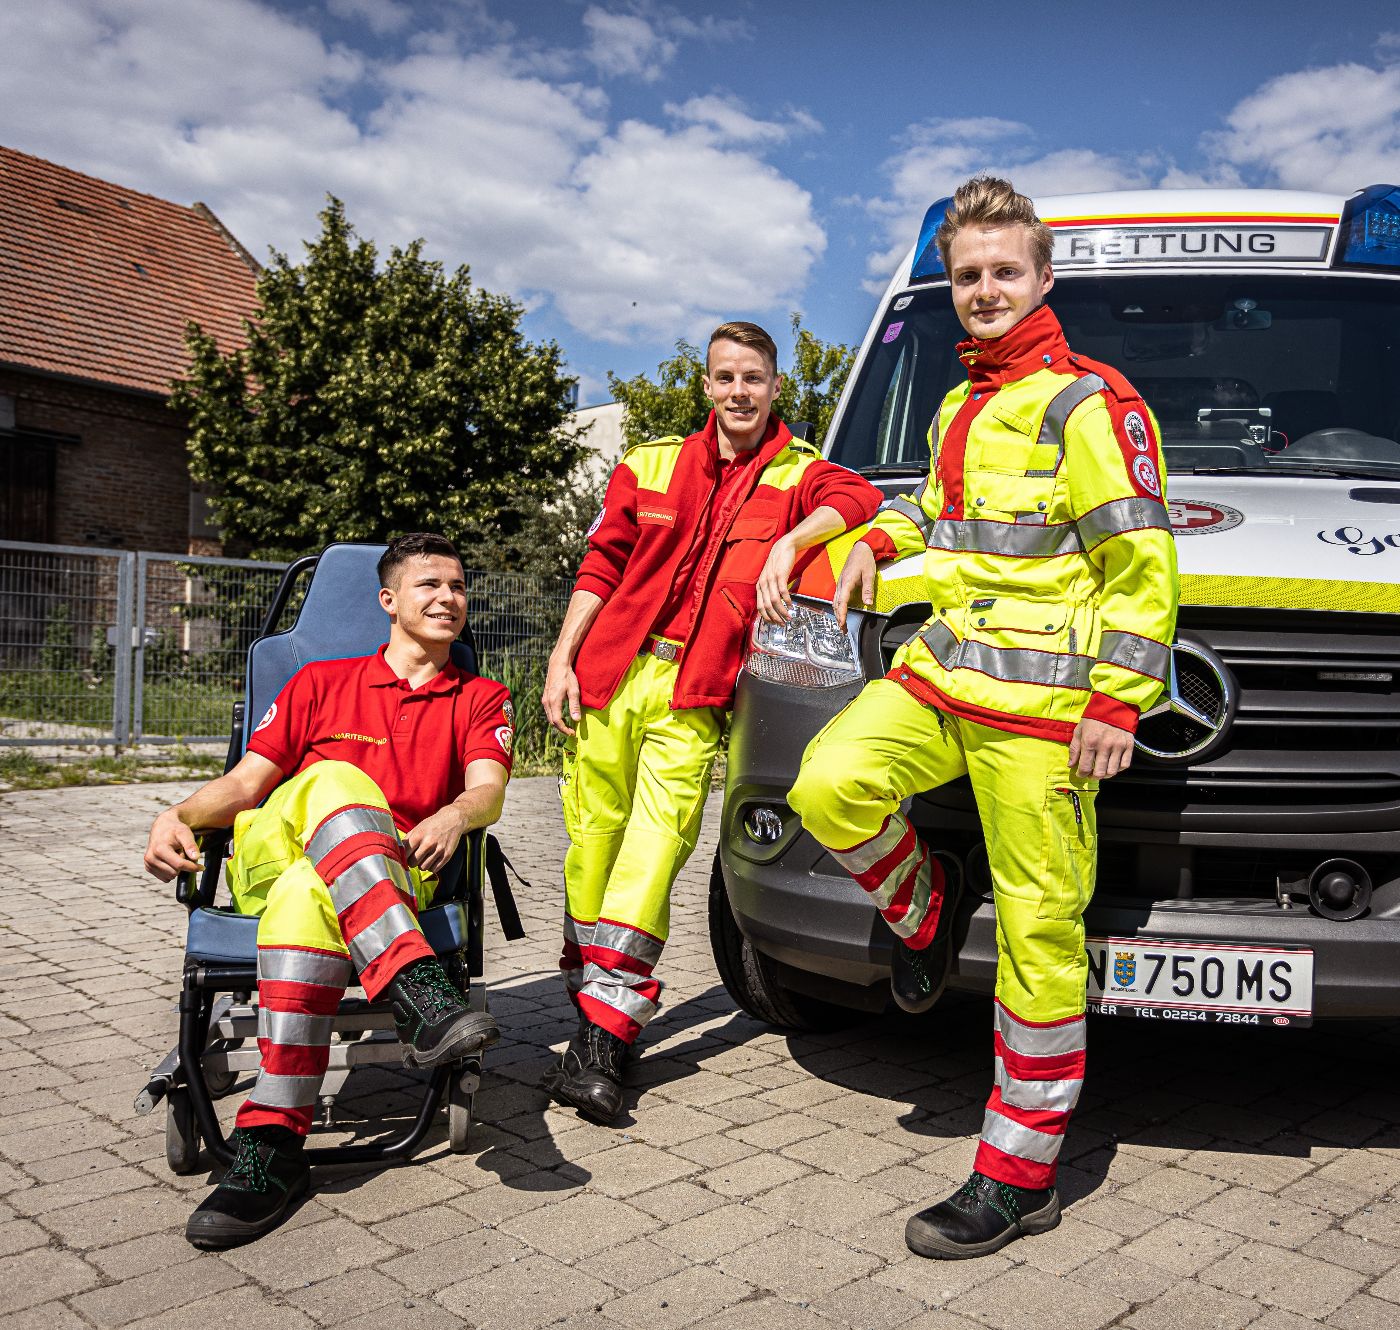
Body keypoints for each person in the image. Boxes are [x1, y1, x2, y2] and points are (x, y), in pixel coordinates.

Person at [788, 177, 1178, 1259]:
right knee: (825, 785)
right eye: (966, 275)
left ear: (1042, 277)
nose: (984, 290)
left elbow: (1138, 564)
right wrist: (874, 543)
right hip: (941, 678)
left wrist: (1116, 699)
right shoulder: (957, 401)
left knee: (1039, 937)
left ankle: (1017, 1172)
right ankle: (921, 907)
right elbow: (941, 517)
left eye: (1004, 271)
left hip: (1047, 715)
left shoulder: (1086, 402)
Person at [541, 321, 881, 1123]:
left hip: (695, 697)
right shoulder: (649, 463)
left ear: (773, 388)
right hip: (611, 676)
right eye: (725, 377)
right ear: (706, 386)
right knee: (592, 849)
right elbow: (600, 566)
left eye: (753, 379)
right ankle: (594, 990)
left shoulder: (799, 473)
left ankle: (603, 1040)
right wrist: (561, 659)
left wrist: (794, 540)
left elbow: (860, 498)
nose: (739, 392)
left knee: (654, 853)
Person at [144, 532, 513, 1249]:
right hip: (274, 852)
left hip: (380, 871)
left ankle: (271, 1148)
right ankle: (414, 988)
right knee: (336, 782)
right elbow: (248, 785)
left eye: (459, 586)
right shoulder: (318, 682)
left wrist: (454, 813)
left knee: (310, 894)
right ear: (389, 602)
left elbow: (488, 791)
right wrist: (178, 813)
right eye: (429, 585)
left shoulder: (481, 696)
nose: (448, 598)